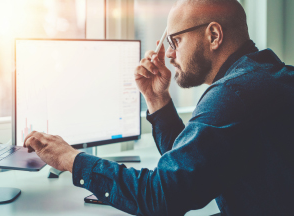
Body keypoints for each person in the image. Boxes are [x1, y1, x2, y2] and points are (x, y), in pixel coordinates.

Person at [24, 0, 294, 215]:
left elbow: (162, 197)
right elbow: (190, 170)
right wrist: (157, 99)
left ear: (213, 35)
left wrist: (70, 159)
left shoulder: (233, 94)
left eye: (175, 41)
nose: (171, 54)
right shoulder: (264, 76)